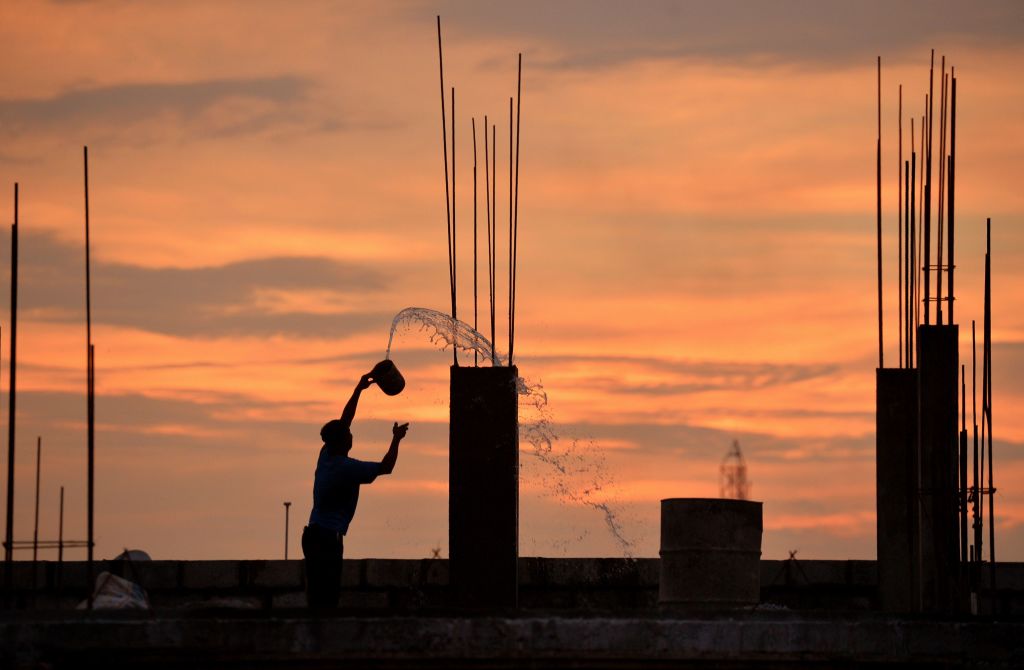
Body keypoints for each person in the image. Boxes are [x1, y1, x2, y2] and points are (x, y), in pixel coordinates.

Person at [303, 370, 409, 609]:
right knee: (327, 597)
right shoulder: (345, 468)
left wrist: (359, 389)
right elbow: (386, 467)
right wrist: (396, 439)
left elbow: (345, 420)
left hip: (313, 535)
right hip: (327, 540)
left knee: (316, 596)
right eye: (349, 435)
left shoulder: (326, 455)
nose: (352, 436)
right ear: (343, 442)